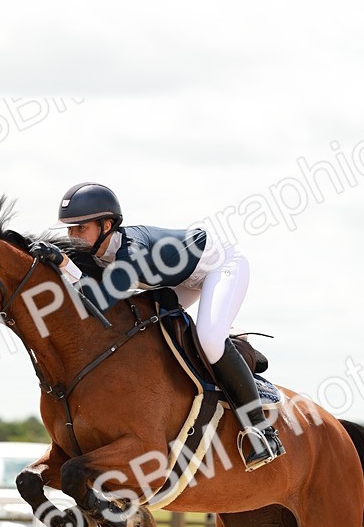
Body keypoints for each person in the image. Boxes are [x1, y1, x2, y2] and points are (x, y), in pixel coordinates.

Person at [56, 182, 285, 471]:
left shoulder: (132, 250)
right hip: (180, 279)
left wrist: (65, 264)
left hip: (221, 265)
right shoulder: (99, 251)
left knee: (209, 339)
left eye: (80, 228)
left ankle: (261, 429)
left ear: (106, 225)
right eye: (69, 230)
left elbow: (98, 299)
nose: (73, 236)